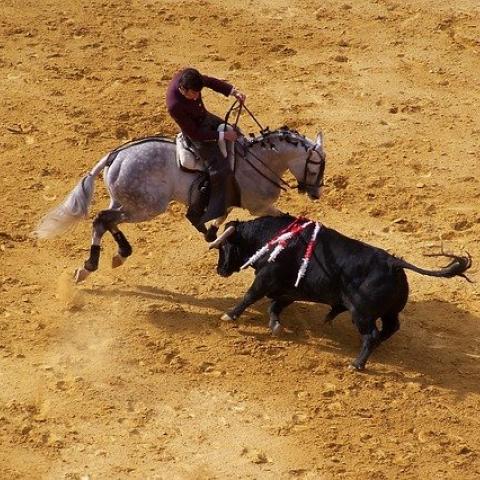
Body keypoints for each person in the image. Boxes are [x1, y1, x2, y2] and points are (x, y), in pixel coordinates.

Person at [166, 67, 246, 233]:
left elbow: (209, 81)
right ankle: (200, 211)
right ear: (182, 89)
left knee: (239, 137)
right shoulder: (174, 105)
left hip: (204, 118)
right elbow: (195, 133)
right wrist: (222, 136)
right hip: (196, 134)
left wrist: (232, 91)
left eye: (198, 93)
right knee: (219, 169)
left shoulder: (189, 76)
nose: (196, 97)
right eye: (193, 94)